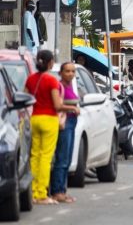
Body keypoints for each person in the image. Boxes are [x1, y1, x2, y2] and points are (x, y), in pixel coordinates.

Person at [25, 50, 79, 205]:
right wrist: (72, 108)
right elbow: (57, 105)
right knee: (45, 158)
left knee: (35, 156)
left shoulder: (30, 79)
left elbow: (26, 99)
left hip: (34, 118)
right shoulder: (51, 81)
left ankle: (33, 192)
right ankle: (41, 194)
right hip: (49, 120)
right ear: (50, 63)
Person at [49, 62, 79, 203]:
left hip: (72, 122)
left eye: (73, 71)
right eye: (67, 71)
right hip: (64, 123)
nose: (70, 74)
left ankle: (63, 190)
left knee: (67, 158)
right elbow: (58, 105)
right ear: (61, 73)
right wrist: (72, 108)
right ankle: (57, 191)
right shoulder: (59, 86)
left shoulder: (70, 86)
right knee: (61, 158)